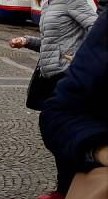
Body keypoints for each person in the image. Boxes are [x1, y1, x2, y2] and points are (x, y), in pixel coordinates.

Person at [9, 0, 97, 199]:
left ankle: (67, 189)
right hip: (50, 74)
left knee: (58, 130)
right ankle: (73, 186)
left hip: (66, 74)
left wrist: (77, 60)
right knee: (58, 131)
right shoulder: (49, 2)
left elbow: (95, 28)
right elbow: (51, 43)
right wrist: (27, 40)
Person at [39, 9, 108, 173]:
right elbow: (59, 113)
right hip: (60, 69)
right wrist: (100, 149)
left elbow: (89, 22)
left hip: (62, 65)